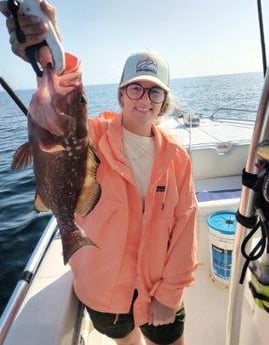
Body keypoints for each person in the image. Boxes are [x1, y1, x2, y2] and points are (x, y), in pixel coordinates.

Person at [0, 2, 198, 344]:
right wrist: (48, 41)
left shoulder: (178, 159)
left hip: (159, 289)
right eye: (135, 88)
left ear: (164, 101)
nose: (144, 99)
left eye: (155, 91)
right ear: (121, 94)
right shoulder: (93, 133)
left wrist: (170, 295)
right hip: (106, 293)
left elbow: (185, 228)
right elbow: (65, 92)